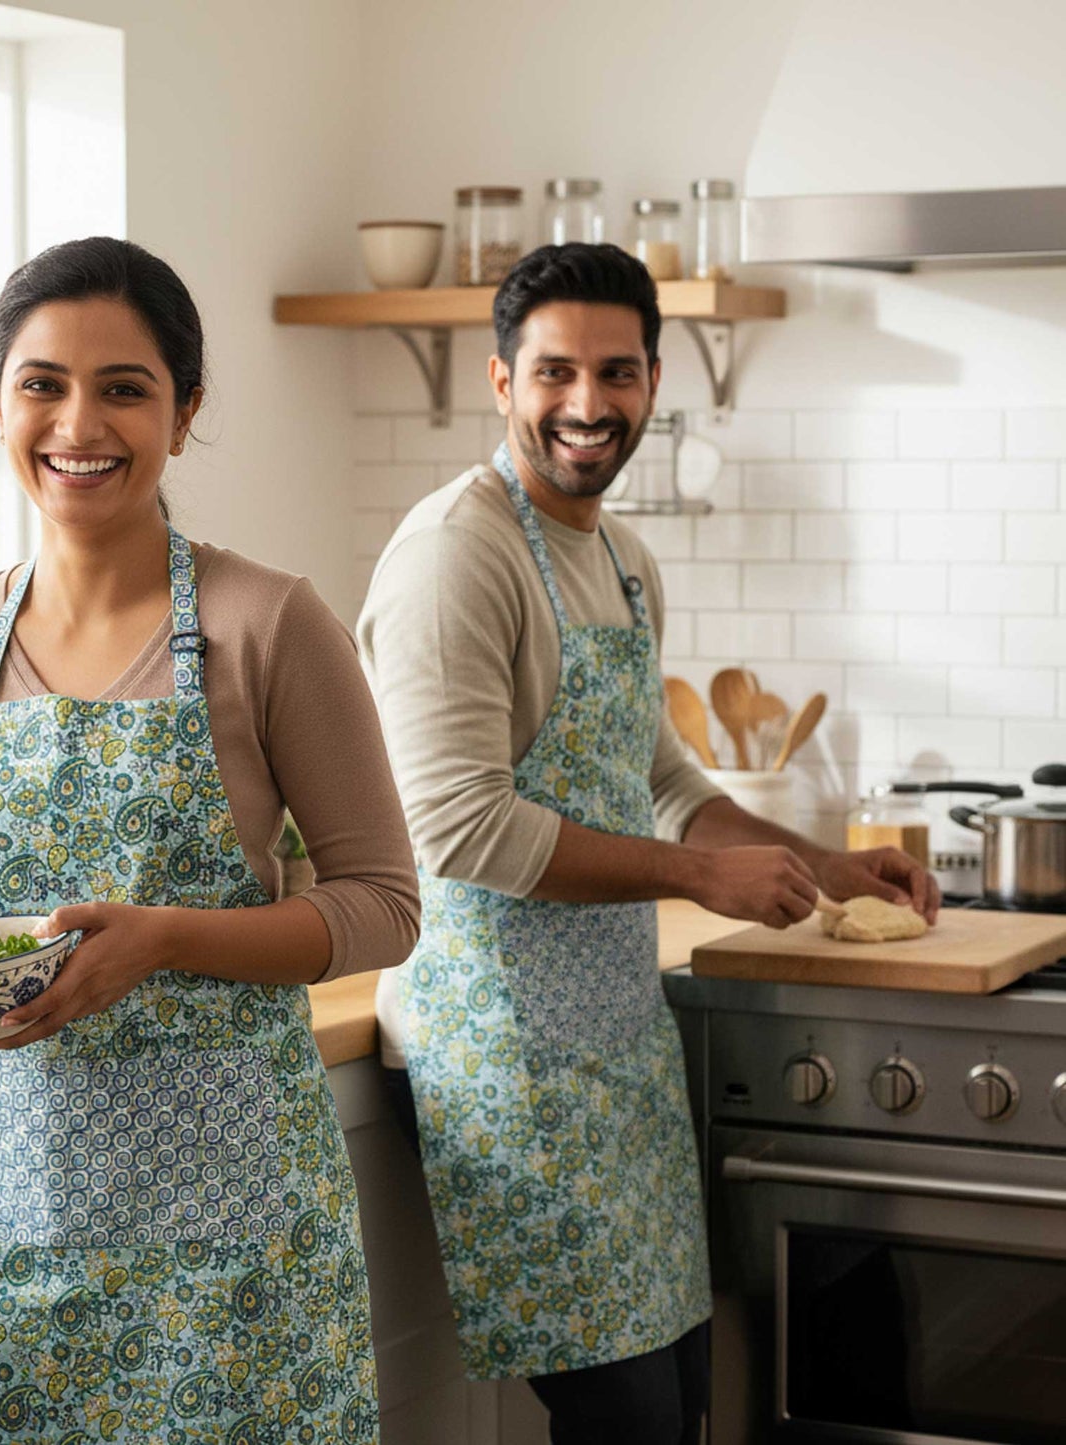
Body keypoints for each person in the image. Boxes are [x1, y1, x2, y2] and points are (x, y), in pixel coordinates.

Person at [0, 236, 420, 1444]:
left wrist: (165, 940)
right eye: (42, 383)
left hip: (231, 1238)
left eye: (124, 387)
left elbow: (385, 906)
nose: (78, 422)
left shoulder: (269, 623)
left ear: (184, 412)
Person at [357, 242, 939, 1445]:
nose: (586, 404)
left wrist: (820, 862)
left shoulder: (622, 559)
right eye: (555, 371)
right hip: (501, 1058)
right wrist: (696, 874)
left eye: (614, 372)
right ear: (500, 379)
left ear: (654, 380)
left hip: (614, 1047)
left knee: (673, 1406)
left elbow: (660, 776)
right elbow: (455, 824)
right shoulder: (454, 553)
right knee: (621, 1417)